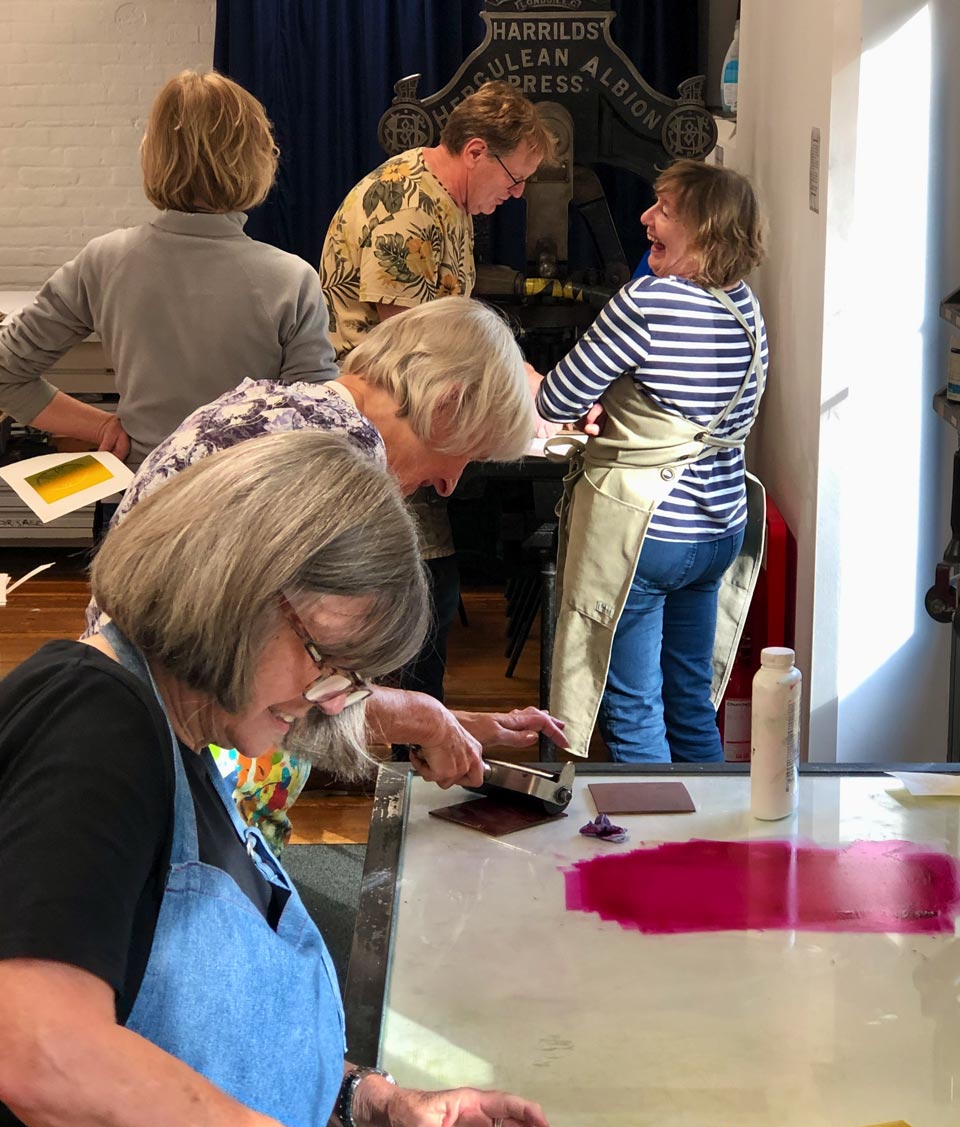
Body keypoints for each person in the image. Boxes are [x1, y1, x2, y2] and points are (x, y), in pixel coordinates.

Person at [0, 432, 557, 1127]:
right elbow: (41, 1050)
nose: (329, 700)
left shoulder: (190, 744)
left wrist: (377, 1102)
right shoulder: (93, 719)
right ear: (236, 591)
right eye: (327, 660)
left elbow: (185, 1020)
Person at [86, 297, 568, 848]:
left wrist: (442, 720)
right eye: (467, 455)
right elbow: (278, 681)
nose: (450, 483)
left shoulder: (278, 405)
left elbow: (298, 679)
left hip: (133, 718)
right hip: (187, 764)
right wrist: (425, 720)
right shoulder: (342, 457)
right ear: (448, 405)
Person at [320, 80, 553, 703]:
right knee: (427, 590)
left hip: (404, 420)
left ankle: (402, 736)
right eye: (514, 176)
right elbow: (414, 348)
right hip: (382, 427)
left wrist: (525, 379)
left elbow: (452, 322)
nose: (518, 193)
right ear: (476, 151)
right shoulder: (409, 210)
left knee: (434, 589)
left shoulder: (445, 200)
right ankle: (404, 747)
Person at [536, 160, 769, 763]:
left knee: (633, 709)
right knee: (690, 702)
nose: (645, 217)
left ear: (707, 232)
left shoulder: (648, 301)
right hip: (720, 528)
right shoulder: (745, 306)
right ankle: (712, 846)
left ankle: (650, 848)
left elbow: (557, 398)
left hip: (646, 532)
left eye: (664, 209)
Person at [0, 70, 338, 471]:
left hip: (142, 504)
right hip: (249, 510)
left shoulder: (104, 260)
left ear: (151, 154)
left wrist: (104, 426)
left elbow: (6, 374)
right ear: (259, 158)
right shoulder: (292, 280)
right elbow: (315, 432)